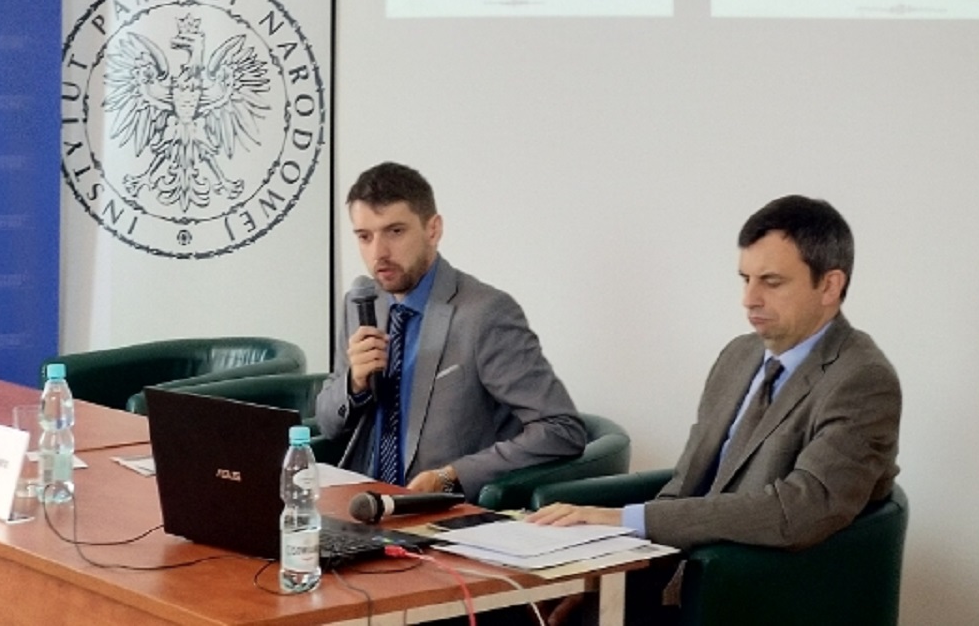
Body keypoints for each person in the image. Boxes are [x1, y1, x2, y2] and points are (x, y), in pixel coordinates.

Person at [528, 195, 901, 623]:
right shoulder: (738, 356)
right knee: (520, 609)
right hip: (678, 578)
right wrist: (609, 576)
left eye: (771, 282)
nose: (749, 299)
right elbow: (687, 483)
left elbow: (800, 511)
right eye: (745, 279)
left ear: (830, 286)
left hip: (750, 593)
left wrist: (625, 520)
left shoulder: (862, 380)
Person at [314, 161, 585, 500]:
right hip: (362, 503)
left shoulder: (485, 314)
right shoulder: (362, 303)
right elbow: (327, 424)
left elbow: (562, 429)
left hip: (440, 512)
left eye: (395, 232)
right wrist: (354, 384)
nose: (378, 253)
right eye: (364, 237)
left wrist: (452, 475)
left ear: (433, 230)